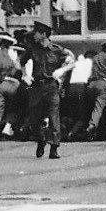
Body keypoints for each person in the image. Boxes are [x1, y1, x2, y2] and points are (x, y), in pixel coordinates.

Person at [22, 20, 75, 159]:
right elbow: (21, 62)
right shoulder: (32, 49)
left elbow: (73, 62)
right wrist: (25, 75)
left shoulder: (57, 50)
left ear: (44, 34)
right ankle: (41, 140)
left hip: (51, 86)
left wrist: (63, 69)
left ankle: (54, 148)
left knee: (54, 117)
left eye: (37, 33)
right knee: (34, 119)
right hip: (36, 87)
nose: (34, 35)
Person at [83, 38, 106, 141]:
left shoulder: (96, 57)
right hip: (102, 84)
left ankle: (96, 129)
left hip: (91, 85)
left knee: (93, 107)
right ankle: (92, 126)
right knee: (99, 108)